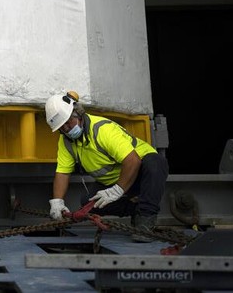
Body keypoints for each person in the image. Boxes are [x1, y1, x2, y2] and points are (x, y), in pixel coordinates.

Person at [45, 91, 169, 242]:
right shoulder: (66, 142)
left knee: (155, 163)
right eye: (61, 128)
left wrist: (118, 190)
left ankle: (145, 222)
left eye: (68, 122)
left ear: (78, 113)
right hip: (115, 181)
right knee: (87, 202)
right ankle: (137, 211)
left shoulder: (102, 130)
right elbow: (62, 173)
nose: (66, 129)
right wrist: (57, 202)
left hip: (139, 173)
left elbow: (133, 161)